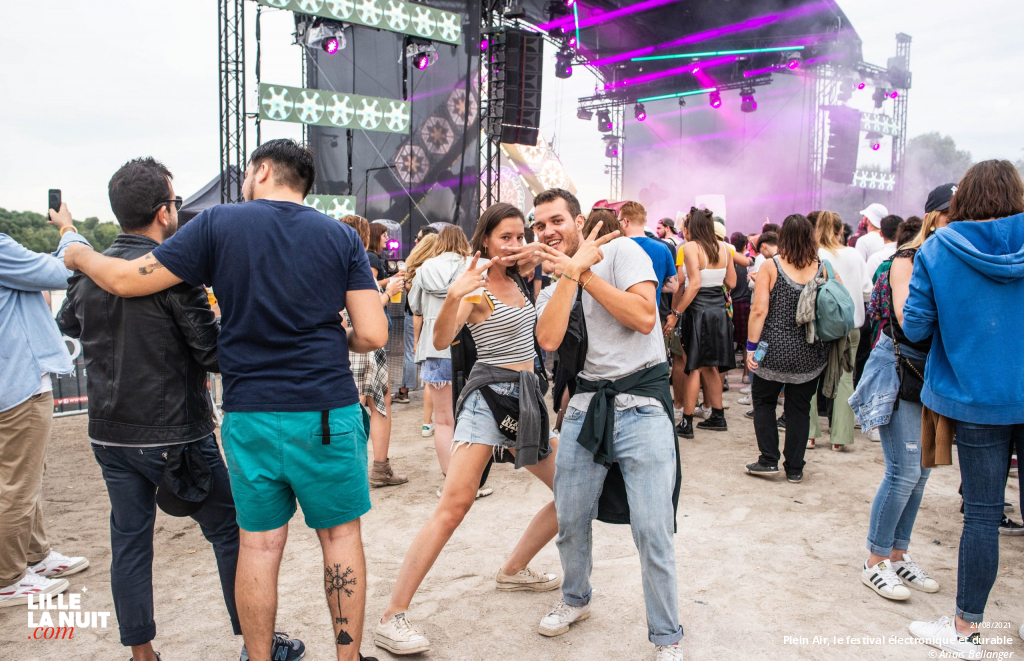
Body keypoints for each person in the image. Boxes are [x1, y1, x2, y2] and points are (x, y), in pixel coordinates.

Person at [63, 139, 388, 661]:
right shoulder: (339, 237)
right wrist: (340, 336)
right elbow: (373, 334)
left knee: (258, 546)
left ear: (261, 171)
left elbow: (124, 280)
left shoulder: (217, 226)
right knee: (339, 538)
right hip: (325, 412)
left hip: (250, 414)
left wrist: (76, 250)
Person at [55, 158, 241, 660]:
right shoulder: (173, 274)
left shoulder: (90, 274)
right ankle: (256, 644)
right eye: (176, 203)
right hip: (177, 435)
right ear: (164, 212)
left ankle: (143, 654)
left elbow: (69, 323)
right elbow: (214, 354)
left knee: (130, 543)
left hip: (110, 435)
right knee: (230, 534)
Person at [374, 203, 560, 655]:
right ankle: (391, 616)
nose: (515, 244)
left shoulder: (519, 275)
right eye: (505, 237)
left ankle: (514, 570)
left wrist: (540, 251)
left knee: (573, 488)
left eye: (520, 235)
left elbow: (541, 251)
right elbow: (440, 340)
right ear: (484, 241)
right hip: (486, 400)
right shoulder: (475, 287)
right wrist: (456, 294)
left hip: (526, 399)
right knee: (453, 507)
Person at [513, 188, 684, 661]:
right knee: (569, 516)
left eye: (556, 221)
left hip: (642, 404)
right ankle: (575, 598)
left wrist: (583, 274)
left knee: (652, 528)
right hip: (588, 405)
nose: (547, 231)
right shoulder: (555, 283)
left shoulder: (623, 252)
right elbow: (546, 338)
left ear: (579, 220)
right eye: (540, 225)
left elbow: (645, 317)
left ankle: (667, 636)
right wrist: (570, 275)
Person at [901, 161, 1024, 660]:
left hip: (974, 401)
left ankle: (966, 630)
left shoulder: (937, 250)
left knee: (982, 516)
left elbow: (915, 328)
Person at [849, 193, 943, 608]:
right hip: (903, 367)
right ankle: (875, 561)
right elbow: (910, 322)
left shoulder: (946, 255)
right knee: (904, 472)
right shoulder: (909, 258)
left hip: (934, 371)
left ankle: (899, 555)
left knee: (922, 474)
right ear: (935, 217)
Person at [0, 205, 90, 608]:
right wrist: (67, 228)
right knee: (17, 484)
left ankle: (34, 554)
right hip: (17, 385)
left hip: (12, 383)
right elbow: (64, 271)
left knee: (26, 474)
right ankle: (8, 577)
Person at [744, 215, 827, 483]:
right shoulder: (821, 267)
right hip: (808, 350)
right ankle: (795, 468)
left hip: (770, 347)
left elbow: (759, 311)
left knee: (764, 402)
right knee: (799, 409)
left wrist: (751, 348)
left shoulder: (771, 266)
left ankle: (768, 460)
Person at [408, 226, 479, 493]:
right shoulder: (471, 267)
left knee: (443, 420)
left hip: (434, 349)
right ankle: (471, 480)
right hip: (468, 349)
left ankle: (451, 482)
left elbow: (414, 306)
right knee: (471, 417)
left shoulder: (425, 268)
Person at [340, 215, 409, 488]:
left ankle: (373, 468)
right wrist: (389, 291)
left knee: (371, 400)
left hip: (349, 340)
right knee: (369, 402)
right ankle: (372, 469)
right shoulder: (358, 262)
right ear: (363, 236)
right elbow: (364, 309)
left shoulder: (332, 261)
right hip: (363, 340)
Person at [666, 208, 736, 438]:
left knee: (693, 365)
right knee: (710, 365)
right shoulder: (725, 248)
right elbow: (731, 281)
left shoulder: (690, 248)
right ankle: (718, 415)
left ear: (691, 227)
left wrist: (675, 313)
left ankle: (686, 423)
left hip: (698, 311)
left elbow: (692, 285)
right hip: (719, 311)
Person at [806, 210, 871, 452]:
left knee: (809, 378)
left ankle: (809, 435)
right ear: (841, 230)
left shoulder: (813, 254)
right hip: (849, 326)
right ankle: (839, 437)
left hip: (816, 328)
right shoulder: (854, 255)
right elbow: (867, 291)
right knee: (846, 379)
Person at [395, 227, 438, 405]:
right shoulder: (437, 261)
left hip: (415, 313)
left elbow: (413, 292)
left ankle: (404, 391)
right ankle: (433, 388)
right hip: (433, 313)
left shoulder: (417, 261)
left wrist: (404, 282)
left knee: (412, 351)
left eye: (417, 238)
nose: (414, 241)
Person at [404, 233, 440, 438]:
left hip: (424, 328)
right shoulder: (437, 272)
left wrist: (417, 341)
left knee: (430, 379)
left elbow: (416, 311)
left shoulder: (417, 273)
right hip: (435, 327)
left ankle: (427, 423)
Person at [729, 232, 752, 384]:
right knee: (746, 343)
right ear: (745, 246)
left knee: (728, 341)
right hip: (745, 305)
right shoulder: (748, 264)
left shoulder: (727, 260)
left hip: (730, 304)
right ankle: (746, 375)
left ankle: (724, 377)